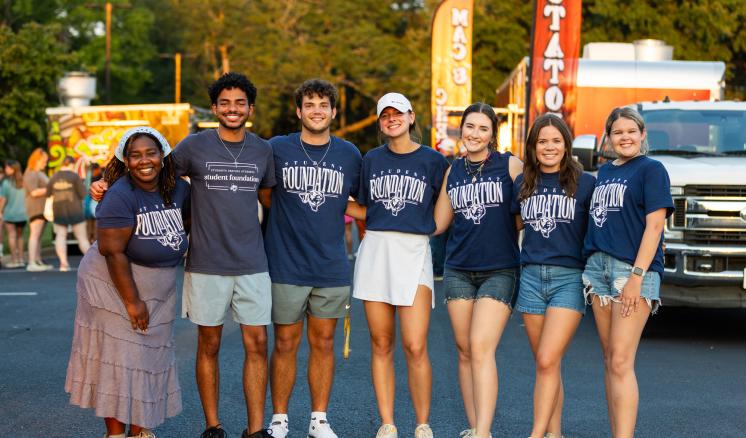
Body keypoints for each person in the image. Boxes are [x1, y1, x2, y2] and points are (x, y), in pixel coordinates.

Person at [91, 72, 276, 438]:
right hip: (206, 263)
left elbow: (270, 201)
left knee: (258, 344)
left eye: (240, 103)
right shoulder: (194, 146)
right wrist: (107, 183)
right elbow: (149, 170)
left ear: (250, 108)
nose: (233, 109)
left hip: (253, 263)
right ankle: (213, 425)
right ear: (214, 108)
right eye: (225, 103)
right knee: (210, 343)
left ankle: (255, 429)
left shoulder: (263, 150)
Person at [65, 127, 189, 438]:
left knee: (148, 357)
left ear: (163, 156)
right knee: (118, 358)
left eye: (151, 153)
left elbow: (189, 224)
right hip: (112, 282)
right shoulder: (119, 195)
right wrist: (132, 302)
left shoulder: (179, 190)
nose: (144, 160)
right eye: (135, 155)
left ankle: (139, 429)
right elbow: (112, 251)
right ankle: (116, 433)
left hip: (159, 285)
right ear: (125, 160)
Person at [259, 79, 362, 438]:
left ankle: (319, 418)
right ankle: (280, 417)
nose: (317, 110)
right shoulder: (277, 148)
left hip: (331, 265)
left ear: (334, 112)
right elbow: (263, 194)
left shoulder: (349, 153)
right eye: (310, 104)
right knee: (285, 342)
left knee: (323, 343)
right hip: (286, 263)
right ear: (299, 111)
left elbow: (360, 203)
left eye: (323, 104)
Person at [351, 92, 448, 438]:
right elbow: (363, 209)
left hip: (413, 250)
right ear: (380, 123)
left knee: (415, 344)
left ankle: (423, 423)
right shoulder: (371, 160)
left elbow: (446, 207)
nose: (391, 118)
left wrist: (433, 228)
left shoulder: (434, 162)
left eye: (398, 113)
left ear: (410, 117)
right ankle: (387, 422)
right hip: (377, 248)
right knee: (380, 343)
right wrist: (337, 204)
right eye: (385, 115)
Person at [432, 103, 523, 438]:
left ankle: (483, 432)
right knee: (465, 350)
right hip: (458, 269)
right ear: (462, 129)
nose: (474, 134)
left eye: (483, 128)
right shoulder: (453, 171)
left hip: (500, 269)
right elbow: (438, 223)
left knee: (481, 346)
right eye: (470, 126)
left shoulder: (510, 164)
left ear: (492, 134)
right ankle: (474, 427)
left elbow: (532, 202)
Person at [583, 107, 673, 437]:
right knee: (610, 360)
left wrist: (636, 277)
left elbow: (655, 226)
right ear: (608, 138)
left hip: (631, 271)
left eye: (631, 132)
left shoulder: (652, 170)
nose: (625, 138)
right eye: (618, 132)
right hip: (598, 271)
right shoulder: (604, 173)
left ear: (642, 135)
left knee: (621, 361)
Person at [511, 114, 595, 438]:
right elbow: (514, 225)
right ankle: (555, 435)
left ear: (566, 144)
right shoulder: (524, 183)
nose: (549, 147)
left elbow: (599, 227)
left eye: (555, 141)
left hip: (568, 278)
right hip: (531, 277)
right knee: (548, 365)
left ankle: (535, 434)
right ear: (532, 146)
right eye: (542, 141)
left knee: (547, 360)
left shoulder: (586, 183)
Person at [47, 156, 91, 271]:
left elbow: (48, 193)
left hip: (58, 210)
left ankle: (63, 263)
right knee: (82, 238)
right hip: (75, 210)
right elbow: (83, 194)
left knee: (60, 236)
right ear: (71, 164)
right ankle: (92, 263)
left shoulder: (54, 176)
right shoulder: (74, 176)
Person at [24, 148, 52, 271]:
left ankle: (38, 260)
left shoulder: (39, 172)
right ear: (37, 160)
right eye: (43, 161)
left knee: (38, 235)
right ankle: (31, 262)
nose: (45, 163)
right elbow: (34, 192)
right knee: (35, 234)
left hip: (42, 207)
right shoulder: (31, 172)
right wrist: (51, 189)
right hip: (35, 207)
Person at [0, 159, 28, 268]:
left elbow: (3, 200)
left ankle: (14, 260)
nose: (6, 169)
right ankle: (21, 259)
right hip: (23, 214)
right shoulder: (24, 181)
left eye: (7, 167)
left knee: (12, 236)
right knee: (20, 236)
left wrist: (0, 211)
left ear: (12, 169)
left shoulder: (6, 183)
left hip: (10, 214)